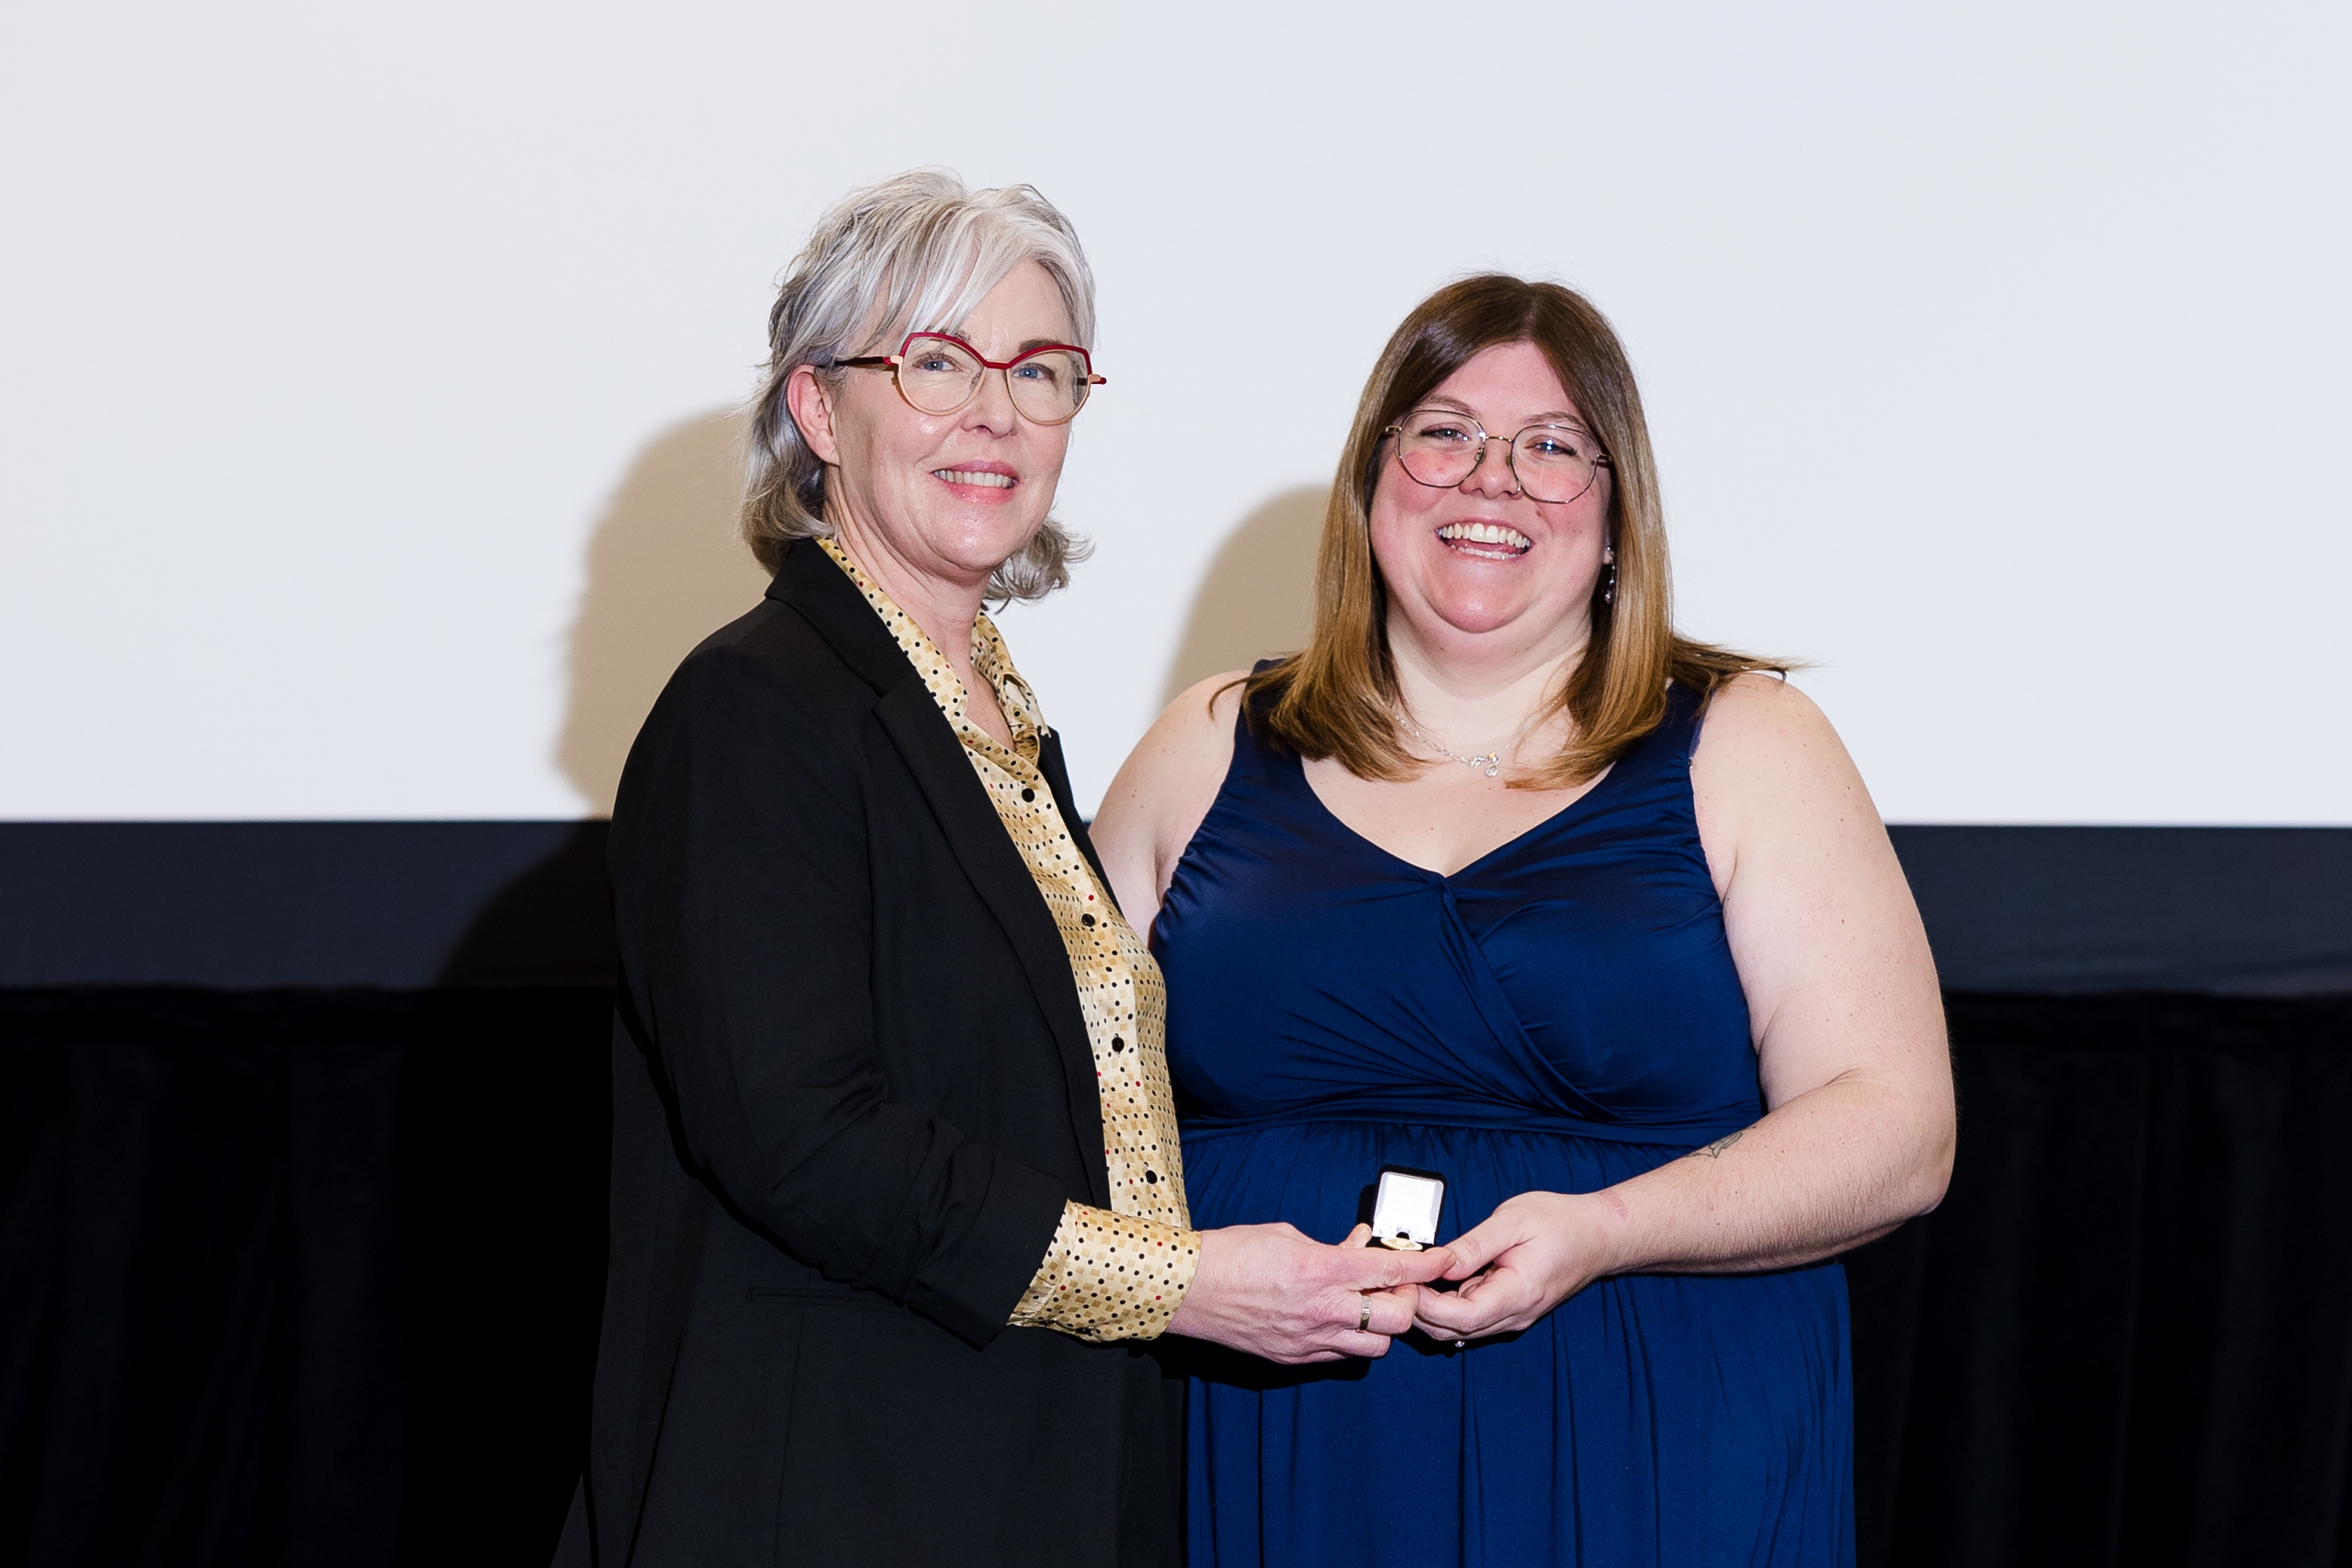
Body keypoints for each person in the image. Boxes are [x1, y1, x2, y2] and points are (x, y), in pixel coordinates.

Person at [555, 172, 1447, 1568]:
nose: (995, 413)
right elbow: (806, 1138)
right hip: (837, 1495)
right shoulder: (756, 708)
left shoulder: (1001, 730)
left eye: (1039, 372)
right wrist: (1178, 1283)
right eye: (932, 363)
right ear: (815, 412)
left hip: (1028, 1470)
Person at [1091, 275, 1957, 1565]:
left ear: (1617, 519)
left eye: (1554, 449)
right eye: (1443, 432)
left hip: (1648, 1441)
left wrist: (1607, 1230)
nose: (1489, 481)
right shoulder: (1206, 743)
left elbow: (1896, 1132)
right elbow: (1043, 1099)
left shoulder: (1751, 744)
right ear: (1372, 482)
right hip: (1260, 1438)